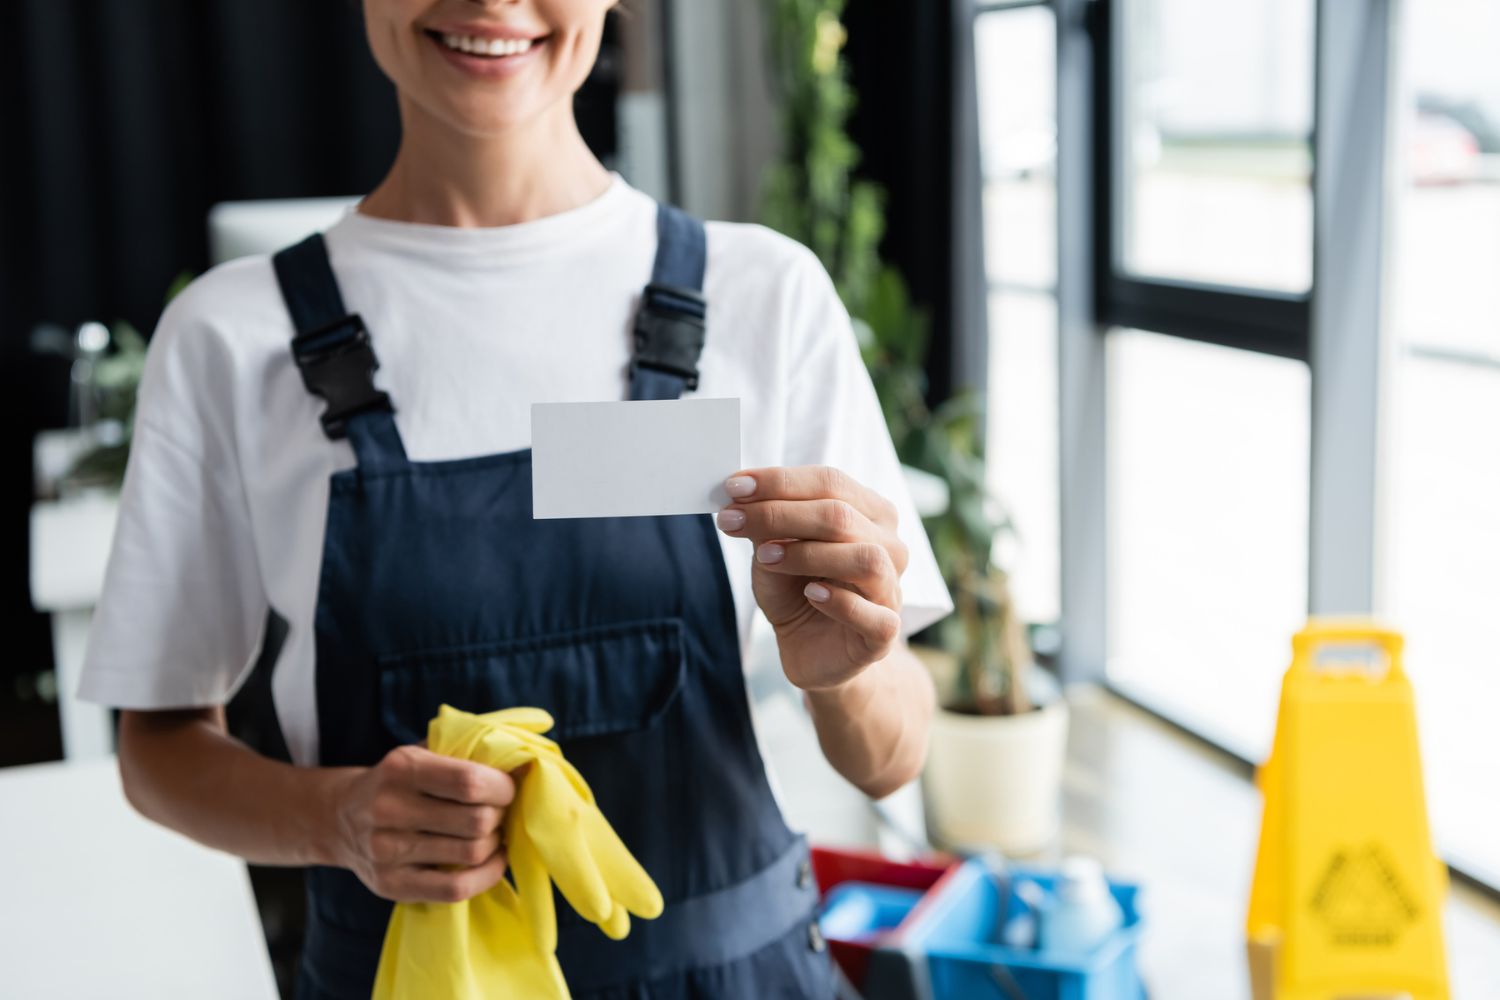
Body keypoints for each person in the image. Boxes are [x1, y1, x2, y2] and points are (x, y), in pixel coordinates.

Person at [78, 0, 952, 996]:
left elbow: (894, 756)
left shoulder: (768, 294)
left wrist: (846, 671)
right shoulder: (230, 338)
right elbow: (157, 745)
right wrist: (339, 817)